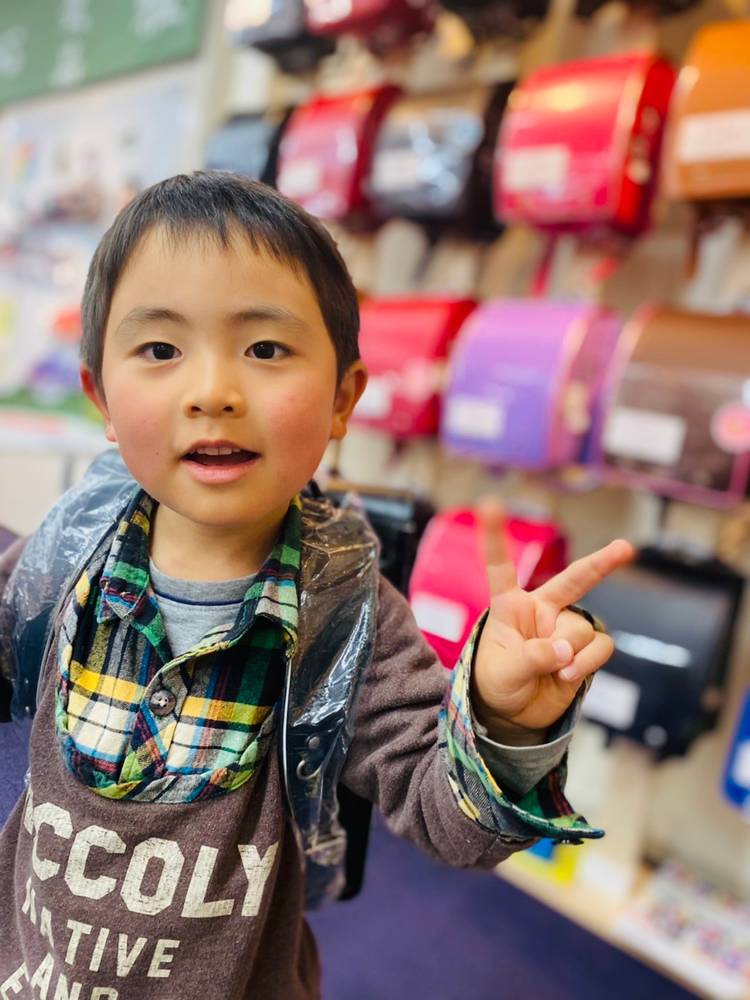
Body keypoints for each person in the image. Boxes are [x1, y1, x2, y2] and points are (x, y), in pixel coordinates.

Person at [0, 172, 633, 999]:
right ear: (102, 399)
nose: (213, 393)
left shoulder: (346, 611)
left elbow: (455, 827)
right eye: (160, 350)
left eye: (265, 349)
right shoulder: (67, 550)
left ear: (342, 399)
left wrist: (505, 719)